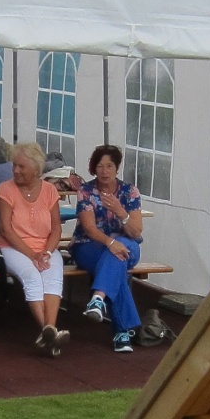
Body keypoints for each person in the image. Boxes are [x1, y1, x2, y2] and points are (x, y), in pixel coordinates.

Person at [0, 142, 68, 356]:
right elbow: (5, 230)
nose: (16, 170)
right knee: (32, 277)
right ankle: (50, 331)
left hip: (44, 247)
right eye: (14, 165)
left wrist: (47, 252)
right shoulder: (5, 189)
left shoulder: (49, 190)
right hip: (13, 246)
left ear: (36, 170)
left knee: (53, 276)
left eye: (21, 167)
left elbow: (56, 228)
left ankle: (49, 332)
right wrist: (32, 255)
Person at [70, 144, 144, 353]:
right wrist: (111, 243)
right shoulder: (86, 191)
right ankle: (121, 333)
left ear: (117, 168)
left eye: (109, 166)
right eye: (100, 166)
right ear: (94, 168)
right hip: (90, 246)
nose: (104, 171)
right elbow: (89, 229)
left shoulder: (130, 192)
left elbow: (136, 232)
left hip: (126, 245)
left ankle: (98, 299)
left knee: (121, 251)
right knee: (116, 264)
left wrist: (120, 211)